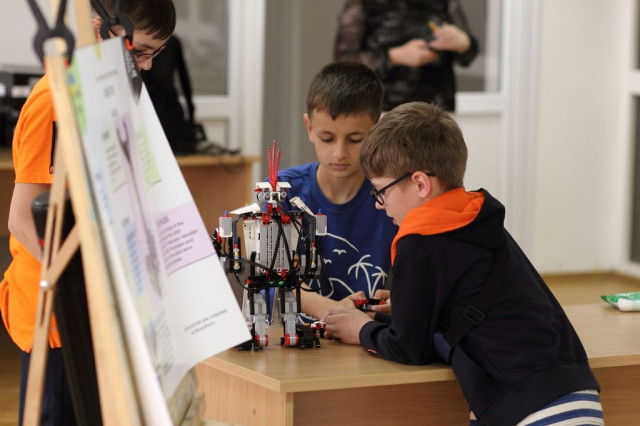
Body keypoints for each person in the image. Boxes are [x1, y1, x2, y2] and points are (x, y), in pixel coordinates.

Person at [323, 102, 603, 425]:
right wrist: (406, 308)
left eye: (379, 192)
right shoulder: (476, 218)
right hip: (576, 393)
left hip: (530, 410)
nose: (379, 205)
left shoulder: (419, 240)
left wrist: (361, 329)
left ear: (420, 184)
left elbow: (408, 348)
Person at [0, 1, 176, 424]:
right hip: (56, 314)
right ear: (98, 28)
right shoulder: (54, 101)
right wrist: (85, 282)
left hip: (90, 308)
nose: (147, 66)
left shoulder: (101, 94)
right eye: (139, 52)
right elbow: (22, 219)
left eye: (156, 54)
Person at [276, 61, 397, 322]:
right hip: (299, 339)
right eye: (327, 139)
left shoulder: (395, 195)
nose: (340, 153)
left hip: (371, 337)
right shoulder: (281, 192)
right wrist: (336, 313)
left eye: (355, 140)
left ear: (376, 131)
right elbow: (275, 277)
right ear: (309, 128)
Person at [334, 0, 479, 112]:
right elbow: (344, 62)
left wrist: (463, 42)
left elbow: (468, 57)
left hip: (438, 110)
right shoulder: (363, 3)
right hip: (383, 111)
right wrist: (394, 57)